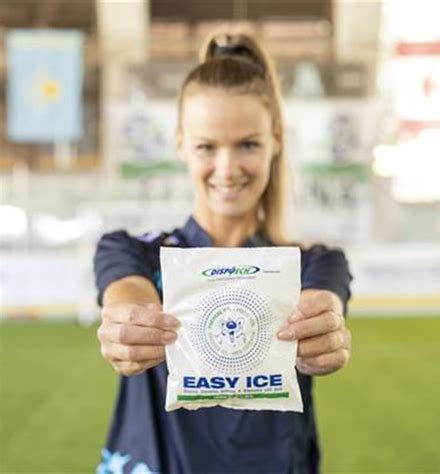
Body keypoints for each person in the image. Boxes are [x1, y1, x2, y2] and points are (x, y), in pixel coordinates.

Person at [94, 29, 352, 474]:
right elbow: (127, 296)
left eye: (247, 144)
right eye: (207, 147)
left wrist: (323, 331)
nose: (227, 169)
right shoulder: (132, 251)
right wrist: (127, 326)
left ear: (276, 140)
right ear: (180, 144)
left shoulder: (313, 263)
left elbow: (322, 301)